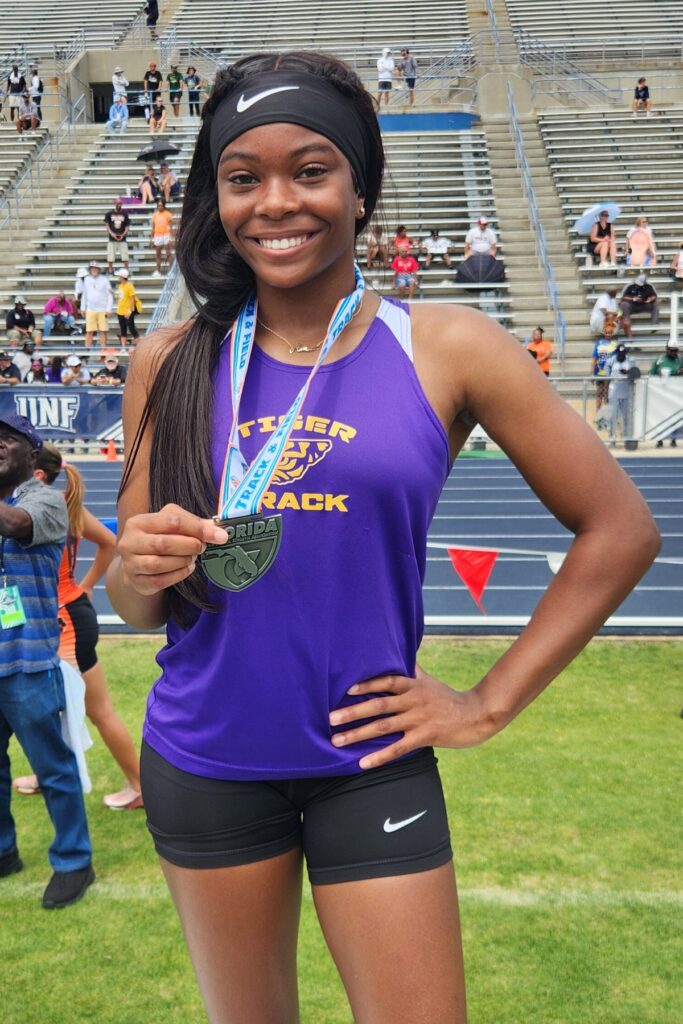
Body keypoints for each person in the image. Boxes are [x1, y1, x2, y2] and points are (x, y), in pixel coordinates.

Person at [105, 52, 659, 1024]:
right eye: (244, 178)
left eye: (310, 170)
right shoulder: (169, 358)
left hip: (370, 761)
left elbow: (619, 526)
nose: (277, 202)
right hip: (206, 759)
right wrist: (140, 565)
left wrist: (488, 701)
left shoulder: (444, 345)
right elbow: (137, 605)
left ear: (360, 188)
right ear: (215, 197)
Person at [12, 446, 141, 809]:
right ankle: (47, 772)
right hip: (62, 613)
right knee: (48, 707)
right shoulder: (65, 507)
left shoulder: (42, 510)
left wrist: (82, 585)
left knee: (95, 709)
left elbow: (112, 544)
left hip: (64, 620)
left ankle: (139, 786)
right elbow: (109, 543)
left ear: (37, 475)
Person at [0, 414, 94, 909]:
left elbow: (14, 526)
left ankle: (75, 861)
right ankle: (3, 852)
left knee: (53, 767)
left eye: (8, 439)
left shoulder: (44, 500)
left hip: (29, 660)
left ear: (31, 456)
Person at [650, 340, 681, 448]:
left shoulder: (680, 360)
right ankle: (659, 439)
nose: (673, 352)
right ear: (667, 349)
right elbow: (652, 374)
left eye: (675, 350)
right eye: (671, 350)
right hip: (661, 394)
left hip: (675, 395)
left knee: (674, 417)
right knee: (660, 417)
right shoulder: (660, 360)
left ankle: (673, 439)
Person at [81, 262, 113, 348]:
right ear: (90, 269)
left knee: (103, 331)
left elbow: (110, 295)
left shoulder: (104, 280)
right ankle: (86, 350)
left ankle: (103, 349)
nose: (94, 270)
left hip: (102, 309)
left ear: (99, 270)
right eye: (92, 268)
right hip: (90, 309)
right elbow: (85, 294)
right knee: (89, 331)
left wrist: (108, 309)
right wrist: (83, 308)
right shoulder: (87, 279)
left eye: (95, 268)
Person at [592, 319, 618, 423]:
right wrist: (593, 373)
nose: (608, 334)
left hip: (609, 374)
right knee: (599, 394)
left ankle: (607, 417)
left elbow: (616, 361)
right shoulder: (598, 343)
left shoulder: (615, 345)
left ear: (613, 333)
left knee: (607, 395)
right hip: (599, 373)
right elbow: (594, 359)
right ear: (604, 332)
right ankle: (598, 415)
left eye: (610, 333)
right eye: (606, 332)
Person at [607, 343, 632, 442]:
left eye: (623, 354)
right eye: (619, 353)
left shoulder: (630, 361)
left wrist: (627, 373)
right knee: (613, 416)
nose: (621, 355)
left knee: (626, 417)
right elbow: (606, 378)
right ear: (616, 353)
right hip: (613, 393)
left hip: (626, 393)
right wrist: (605, 393)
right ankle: (612, 437)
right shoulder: (610, 361)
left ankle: (626, 437)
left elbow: (636, 374)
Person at [114, 268, 140, 349]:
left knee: (132, 328)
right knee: (123, 329)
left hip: (127, 311)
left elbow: (132, 299)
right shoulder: (121, 286)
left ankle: (140, 345)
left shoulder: (129, 286)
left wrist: (129, 311)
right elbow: (120, 297)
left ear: (122, 277)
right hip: (120, 311)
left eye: (119, 276)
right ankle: (123, 347)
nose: (118, 277)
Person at [104, 197, 131, 273]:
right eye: (118, 203)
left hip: (122, 238)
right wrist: (112, 234)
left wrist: (123, 234)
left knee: (125, 255)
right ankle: (110, 269)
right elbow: (107, 225)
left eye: (120, 203)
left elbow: (127, 226)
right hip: (112, 238)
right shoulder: (109, 214)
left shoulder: (125, 214)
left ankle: (126, 270)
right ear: (114, 203)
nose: (119, 205)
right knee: (110, 255)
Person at [149, 198, 174, 277]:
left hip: (166, 235)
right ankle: (158, 271)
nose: (160, 207)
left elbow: (171, 227)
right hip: (157, 235)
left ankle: (172, 271)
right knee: (158, 254)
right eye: (158, 206)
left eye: (161, 205)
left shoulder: (168, 214)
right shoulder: (154, 215)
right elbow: (153, 227)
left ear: (164, 206)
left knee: (168, 254)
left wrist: (171, 238)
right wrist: (151, 239)